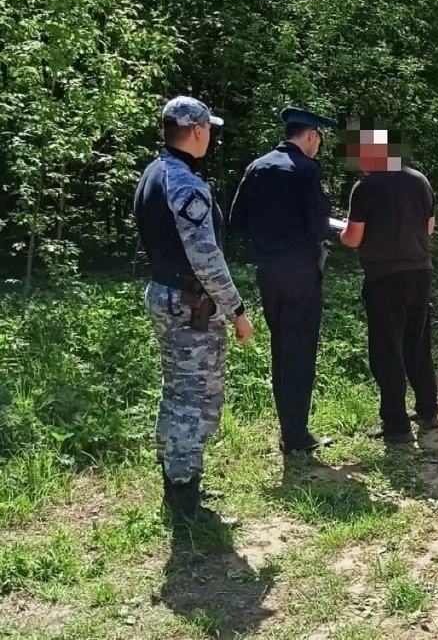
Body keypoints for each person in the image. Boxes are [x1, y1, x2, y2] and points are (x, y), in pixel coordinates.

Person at [134, 96, 254, 523]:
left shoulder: (154, 173)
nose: (211, 137)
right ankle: (185, 501)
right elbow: (206, 259)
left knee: (175, 393)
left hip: (165, 295)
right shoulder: (185, 184)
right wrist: (236, 309)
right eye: (210, 129)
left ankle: (180, 480)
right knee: (196, 400)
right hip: (191, 306)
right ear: (198, 130)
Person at [229, 106, 337, 455]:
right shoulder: (306, 170)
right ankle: (296, 436)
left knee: (281, 349)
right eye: (319, 138)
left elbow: (237, 220)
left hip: (269, 272)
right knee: (300, 351)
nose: (319, 146)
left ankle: (288, 430)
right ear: (310, 135)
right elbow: (320, 226)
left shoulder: (256, 167)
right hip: (301, 272)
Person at [339, 129, 438, 445]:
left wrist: (340, 233)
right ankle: (428, 410)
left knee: (387, 350)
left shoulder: (365, 188)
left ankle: (396, 426)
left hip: (384, 277)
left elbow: (353, 238)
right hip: (420, 272)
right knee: (418, 342)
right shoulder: (420, 180)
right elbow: (430, 228)